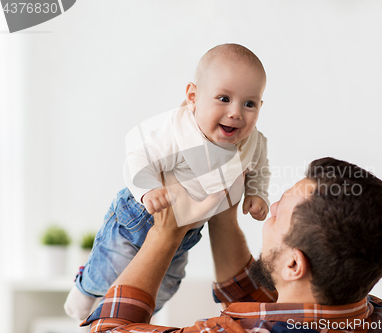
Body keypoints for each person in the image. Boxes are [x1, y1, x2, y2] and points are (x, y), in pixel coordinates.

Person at [81, 157, 382, 333]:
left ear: (294, 264)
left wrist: (165, 235)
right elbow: (264, 303)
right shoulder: (376, 317)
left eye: (277, 214)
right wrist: (224, 209)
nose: (270, 214)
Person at [64, 43, 271, 320]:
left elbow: (259, 169)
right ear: (193, 96)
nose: (236, 112)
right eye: (223, 98)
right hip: (138, 214)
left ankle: (122, 309)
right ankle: (84, 289)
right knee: (108, 269)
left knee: (166, 285)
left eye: (249, 104)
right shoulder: (177, 132)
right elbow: (137, 160)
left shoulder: (252, 141)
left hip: (187, 232)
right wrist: (149, 190)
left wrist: (257, 194)